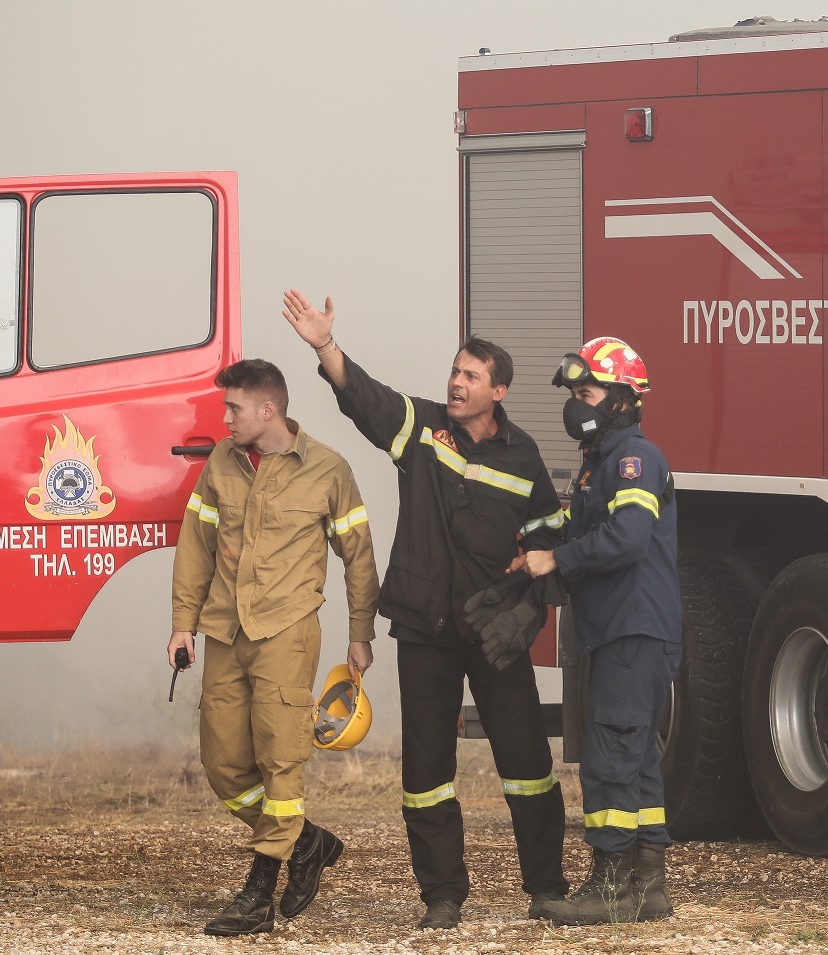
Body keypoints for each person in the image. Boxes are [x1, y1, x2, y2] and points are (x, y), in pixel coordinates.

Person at [281, 289, 570, 930]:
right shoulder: (422, 428)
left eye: (470, 376)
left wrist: (530, 594)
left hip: (494, 636)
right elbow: (365, 398)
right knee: (427, 772)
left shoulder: (523, 458)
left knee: (527, 765)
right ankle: (442, 896)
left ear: (499, 392)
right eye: (454, 372)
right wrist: (325, 345)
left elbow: (550, 537)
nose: (456, 382)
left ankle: (547, 888)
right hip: (423, 630)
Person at [168, 358, 380, 937]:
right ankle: (307, 842)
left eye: (233, 407)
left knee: (280, 759)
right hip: (224, 630)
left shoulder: (328, 471)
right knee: (223, 765)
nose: (225, 416)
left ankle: (259, 891)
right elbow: (196, 546)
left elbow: (358, 558)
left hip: (286, 632)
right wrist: (182, 622)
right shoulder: (220, 463)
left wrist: (359, 632)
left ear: (268, 410)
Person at [513, 337, 682, 925]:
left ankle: (610, 889)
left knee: (610, 757)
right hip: (620, 630)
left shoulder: (635, 458)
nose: (576, 402)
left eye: (585, 391)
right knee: (634, 758)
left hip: (631, 632)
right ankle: (649, 887)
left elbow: (629, 537)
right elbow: (578, 529)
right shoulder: (600, 464)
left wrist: (556, 561)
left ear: (620, 398)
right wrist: (536, 548)